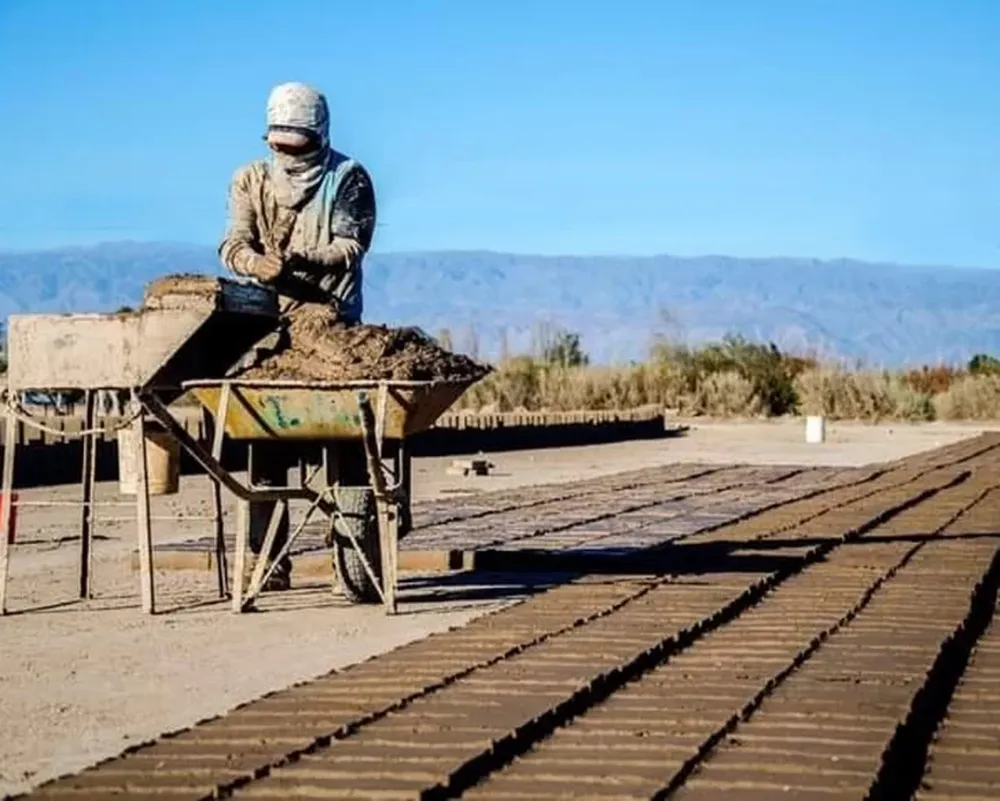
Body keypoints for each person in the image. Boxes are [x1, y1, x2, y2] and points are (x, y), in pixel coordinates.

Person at [218, 81, 377, 591]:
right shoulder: (250, 180)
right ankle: (269, 561)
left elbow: (352, 245)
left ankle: (351, 566)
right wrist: (252, 262)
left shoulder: (348, 178)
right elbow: (232, 242)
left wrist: (306, 259)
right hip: (271, 332)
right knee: (265, 451)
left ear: (319, 137)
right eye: (279, 145)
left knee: (347, 449)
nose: (286, 154)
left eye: (297, 145)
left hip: (332, 329)